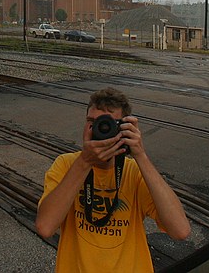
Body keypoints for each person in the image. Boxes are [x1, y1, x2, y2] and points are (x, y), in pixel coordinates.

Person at [35, 87, 191, 272]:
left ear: (125, 128)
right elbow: (45, 227)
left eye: (109, 124)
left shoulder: (134, 172)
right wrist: (84, 162)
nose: (100, 129)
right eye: (92, 122)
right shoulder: (67, 165)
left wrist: (140, 154)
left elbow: (180, 230)